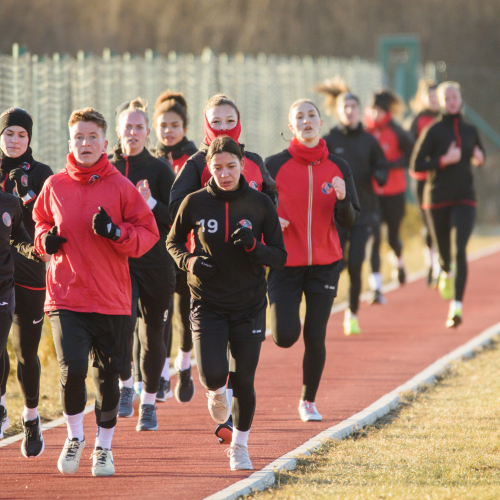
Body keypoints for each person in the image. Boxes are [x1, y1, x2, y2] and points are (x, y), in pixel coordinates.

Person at [33, 107, 159, 477]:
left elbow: (147, 234)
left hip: (111, 299)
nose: (85, 144)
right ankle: (75, 437)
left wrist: (117, 233)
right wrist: (45, 240)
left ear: (106, 143)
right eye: (78, 137)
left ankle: (103, 447)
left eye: (92, 137)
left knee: (108, 376)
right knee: (72, 371)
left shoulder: (120, 186)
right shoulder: (54, 185)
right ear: (69, 142)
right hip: (65, 296)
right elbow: (39, 221)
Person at [167, 136, 286, 470]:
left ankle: (240, 446)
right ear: (209, 169)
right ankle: (216, 392)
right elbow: (172, 241)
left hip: (249, 304)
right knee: (213, 374)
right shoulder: (194, 202)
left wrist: (254, 247)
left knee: (245, 380)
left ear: (243, 166)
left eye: (231, 166)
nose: (225, 173)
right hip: (207, 302)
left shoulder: (260, 204)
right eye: (217, 167)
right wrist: (189, 262)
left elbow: (279, 256)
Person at [265, 100, 360, 422]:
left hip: (325, 262)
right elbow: (256, 207)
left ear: (320, 123)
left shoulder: (338, 167)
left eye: (311, 116)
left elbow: (349, 220)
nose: (306, 121)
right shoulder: (273, 165)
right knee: (285, 336)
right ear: (291, 127)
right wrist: (270, 220)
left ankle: (308, 400)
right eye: (299, 118)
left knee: (315, 334)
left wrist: (344, 198)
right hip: (285, 263)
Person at [110, 98, 176, 429]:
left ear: (147, 132)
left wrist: (151, 202)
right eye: (127, 127)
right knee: (121, 328)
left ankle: (148, 404)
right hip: (119, 264)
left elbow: (177, 219)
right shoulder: (105, 167)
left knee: (153, 335)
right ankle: (125, 386)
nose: (133, 133)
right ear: (118, 130)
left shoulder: (161, 169)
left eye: (139, 127)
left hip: (156, 264)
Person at [0, 107, 52, 457]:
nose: (15, 140)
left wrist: (26, 196)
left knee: (25, 351)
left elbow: (47, 222)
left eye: (21, 134)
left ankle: (31, 416)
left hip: (31, 273)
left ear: (29, 138)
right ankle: (1, 405)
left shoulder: (43, 173)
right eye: (8, 134)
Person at [411, 81, 485, 327]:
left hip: (465, 197)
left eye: (455, 96)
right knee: (445, 256)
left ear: (461, 99)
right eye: (447, 97)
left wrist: (479, 158)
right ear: (441, 102)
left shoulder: (470, 130)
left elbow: (479, 155)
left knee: (460, 249)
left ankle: (456, 307)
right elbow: (416, 165)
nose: (452, 101)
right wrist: (444, 159)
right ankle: (444, 269)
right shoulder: (432, 130)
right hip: (438, 199)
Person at [317, 81, 388, 335]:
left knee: (357, 263)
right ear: (337, 111)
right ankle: (323, 311)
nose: (349, 111)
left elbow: (383, 167)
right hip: (333, 214)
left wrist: (380, 173)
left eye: (353, 106)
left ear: (360, 111)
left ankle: (352, 313)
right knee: (338, 263)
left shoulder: (369, 141)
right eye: (345, 107)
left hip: (364, 211)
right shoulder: (327, 141)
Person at [153, 91, 197, 403]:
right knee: (161, 313)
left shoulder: (195, 159)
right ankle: (163, 373)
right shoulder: (151, 159)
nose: (168, 130)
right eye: (163, 125)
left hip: (189, 248)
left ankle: (184, 365)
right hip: (156, 249)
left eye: (174, 124)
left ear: (185, 126)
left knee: (183, 311)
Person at [0, 183, 42, 441]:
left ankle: (28, 414)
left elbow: (19, 236)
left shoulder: (9, 203)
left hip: (3, 287)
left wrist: (36, 250)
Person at [364, 90, 414, 300]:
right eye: (372, 110)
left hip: (394, 192)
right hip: (372, 194)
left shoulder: (397, 132)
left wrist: (391, 165)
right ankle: (376, 286)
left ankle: (399, 262)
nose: (375, 114)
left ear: (387, 112)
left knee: (393, 237)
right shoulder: (364, 132)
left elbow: (412, 156)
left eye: (380, 110)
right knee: (374, 238)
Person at [408, 79, 441, 287]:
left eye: (437, 95)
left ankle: (443, 262)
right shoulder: (417, 120)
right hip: (422, 180)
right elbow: (410, 151)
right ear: (422, 98)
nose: (434, 99)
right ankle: (431, 263)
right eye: (430, 95)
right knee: (428, 224)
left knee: (441, 223)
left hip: (444, 179)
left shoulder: (447, 118)